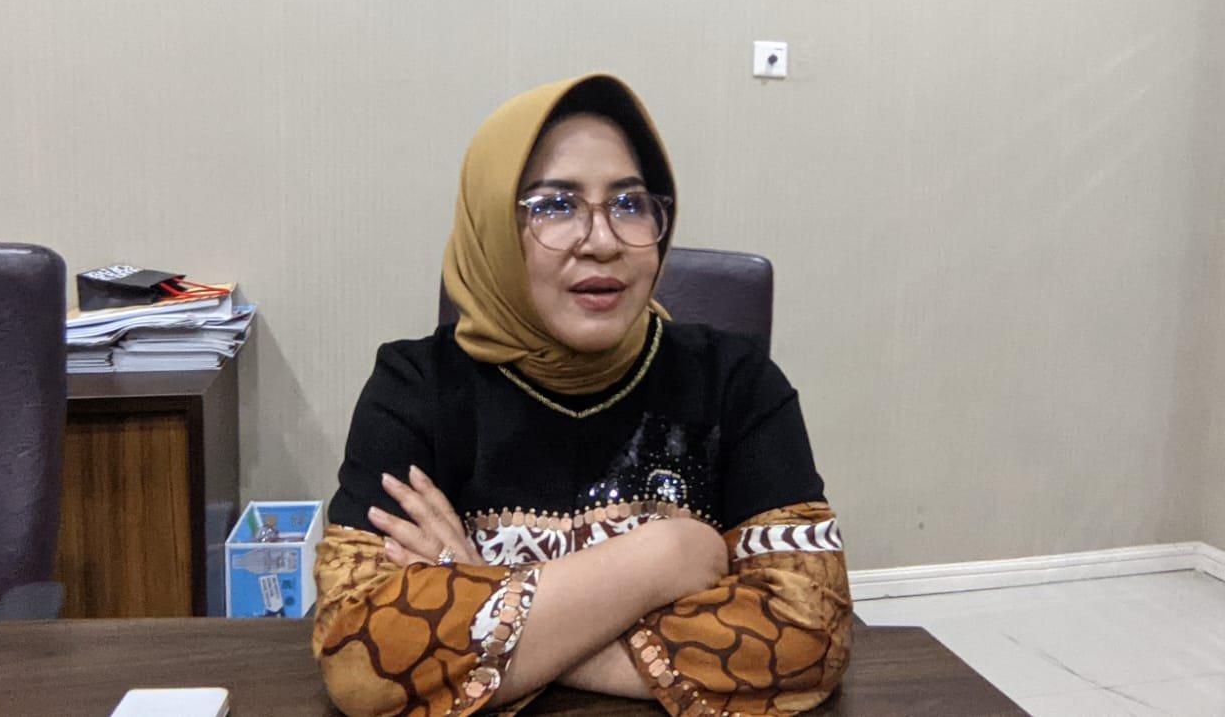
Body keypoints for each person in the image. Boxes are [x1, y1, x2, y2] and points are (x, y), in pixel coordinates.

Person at [313, 75, 851, 717]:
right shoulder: (415, 388)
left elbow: (807, 635)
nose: (602, 241)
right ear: (493, 227)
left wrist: (481, 600)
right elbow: (359, 657)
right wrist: (667, 557)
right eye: (554, 205)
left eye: (629, 203)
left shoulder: (736, 382)